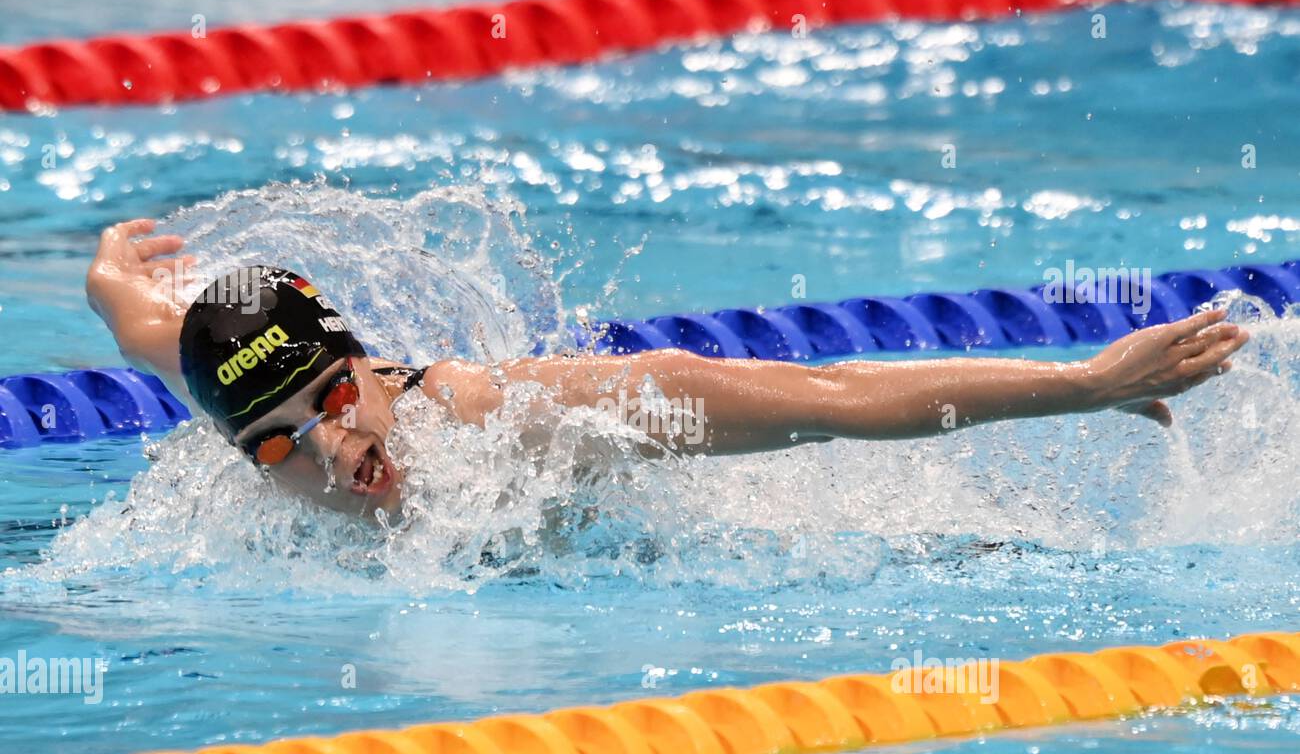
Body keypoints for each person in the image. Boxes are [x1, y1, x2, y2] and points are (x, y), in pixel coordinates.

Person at [86, 219, 1250, 519]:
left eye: (337, 399)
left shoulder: (521, 421)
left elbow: (834, 401)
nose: (337, 451)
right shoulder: (236, 414)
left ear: (370, 361)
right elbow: (148, 324)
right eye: (283, 441)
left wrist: (1080, 384)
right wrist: (110, 276)